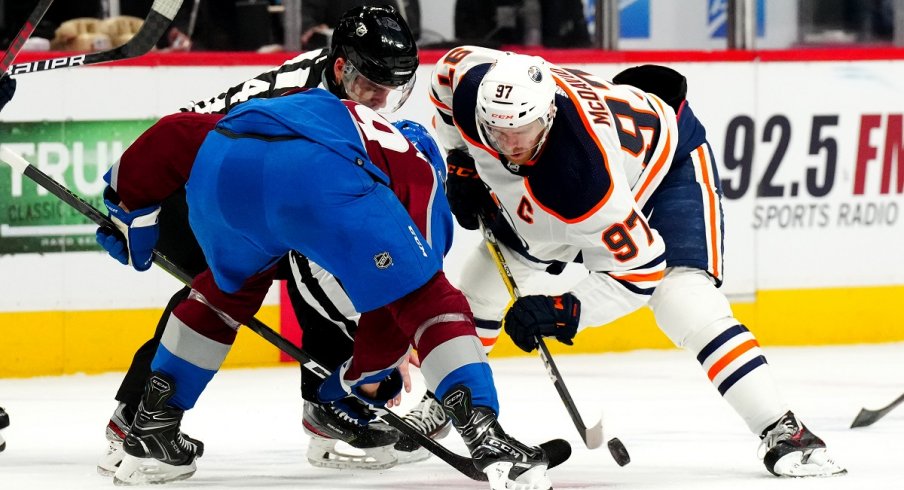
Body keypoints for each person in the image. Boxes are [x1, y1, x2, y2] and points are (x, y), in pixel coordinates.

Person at [101, 87, 563, 489]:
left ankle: (153, 425)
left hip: (224, 169)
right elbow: (401, 304)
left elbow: (177, 132)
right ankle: (485, 434)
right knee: (432, 300)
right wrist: (364, 374)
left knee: (224, 292)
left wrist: (127, 205)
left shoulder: (316, 108)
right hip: (313, 181)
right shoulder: (419, 169)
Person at [428, 45, 847, 478]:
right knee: (481, 285)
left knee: (683, 299)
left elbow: (642, 269)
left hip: (664, 168)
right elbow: (444, 80)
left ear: (548, 113)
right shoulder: (468, 84)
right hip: (576, 173)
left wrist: (564, 309)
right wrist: (461, 160)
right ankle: (449, 405)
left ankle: (783, 429)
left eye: (524, 130)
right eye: (497, 133)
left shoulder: (585, 177)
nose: (511, 146)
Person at [96, 5, 448, 476]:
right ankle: (138, 419)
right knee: (226, 287)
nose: (382, 101)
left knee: (324, 258)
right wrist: (132, 204)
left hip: (262, 201)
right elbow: (179, 131)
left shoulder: (354, 106)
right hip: (197, 196)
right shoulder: (293, 95)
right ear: (341, 66)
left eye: (394, 88)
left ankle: (328, 410)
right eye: (372, 85)